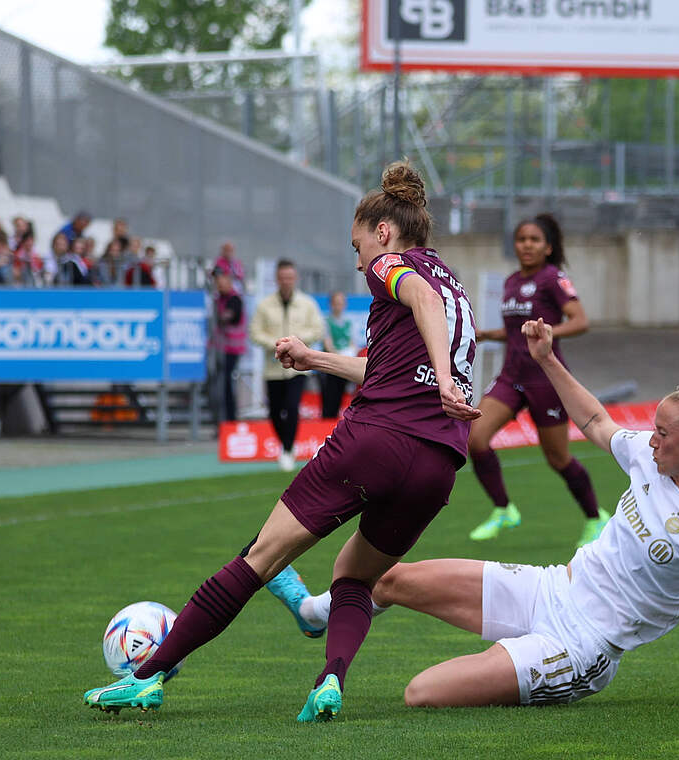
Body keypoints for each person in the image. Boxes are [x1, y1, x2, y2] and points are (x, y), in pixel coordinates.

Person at [84, 160, 481, 721]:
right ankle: (330, 682)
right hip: (437, 463)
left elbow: (423, 304)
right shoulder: (453, 281)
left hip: (376, 441)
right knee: (354, 576)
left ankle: (145, 678)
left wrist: (441, 378)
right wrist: (314, 358)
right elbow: (392, 364)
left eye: (357, 244)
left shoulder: (392, 265)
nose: (359, 258)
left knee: (259, 557)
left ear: (383, 232)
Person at [298, 322, 679, 713]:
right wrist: (547, 359)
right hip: (550, 589)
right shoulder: (647, 456)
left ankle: (535, 670)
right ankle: (312, 613)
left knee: (421, 693)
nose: (649, 438)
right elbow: (596, 421)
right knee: (389, 580)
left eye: (661, 432)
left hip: (582, 646)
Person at [467, 214, 602, 547]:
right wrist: (489, 334)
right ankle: (504, 509)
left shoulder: (552, 277)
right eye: (521, 239)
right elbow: (518, 332)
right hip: (511, 376)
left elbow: (580, 320)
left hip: (546, 380)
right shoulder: (512, 280)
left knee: (557, 458)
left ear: (548, 247)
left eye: (534, 240)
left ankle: (596, 517)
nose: (527, 245)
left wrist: (548, 332)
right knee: (475, 438)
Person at [249, 259, 325, 472]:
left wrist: (296, 341)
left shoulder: (307, 304)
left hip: (298, 367)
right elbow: (255, 332)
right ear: (277, 279)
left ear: (295, 278)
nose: (286, 281)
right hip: (273, 368)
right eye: (282, 278)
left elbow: (317, 329)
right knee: (274, 411)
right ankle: (285, 444)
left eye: (290, 277)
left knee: (292, 407)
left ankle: (289, 450)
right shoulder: (265, 305)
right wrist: (275, 344)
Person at [211, 267, 246, 424]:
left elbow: (227, 318)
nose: (218, 284)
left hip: (231, 350)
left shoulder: (234, 300)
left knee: (227, 385)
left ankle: (230, 421)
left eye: (221, 281)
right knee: (221, 386)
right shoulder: (220, 299)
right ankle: (223, 420)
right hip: (220, 350)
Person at [318, 291, 358, 419]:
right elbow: (327, 344)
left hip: (344, 364)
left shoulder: (348, 322)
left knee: (341, 396)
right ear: (331, 304)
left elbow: (353, 343)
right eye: (336, 303)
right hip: (330, 366)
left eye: (341, 303)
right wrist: (338, 356)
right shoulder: (326, 322)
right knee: (329, 398)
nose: (338, 306)